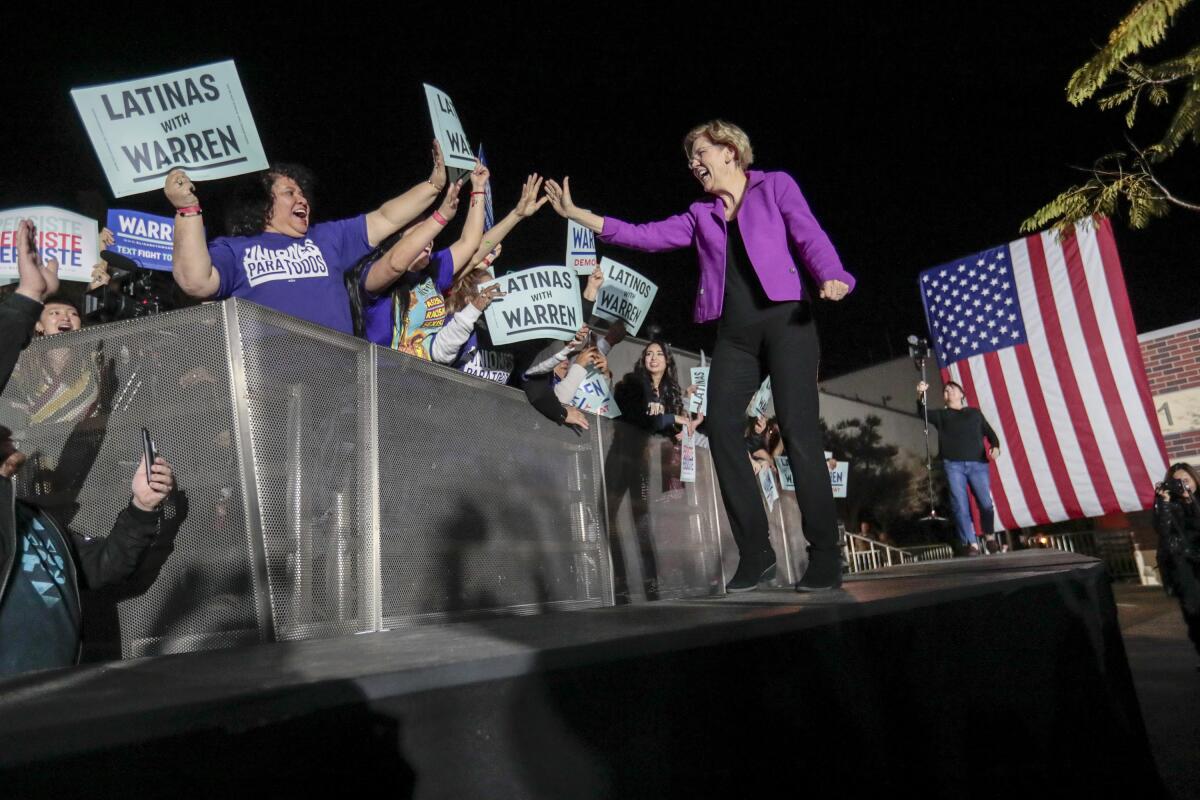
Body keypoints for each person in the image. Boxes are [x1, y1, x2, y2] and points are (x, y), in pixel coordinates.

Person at [546, 119, 856, 591]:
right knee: (720, 428)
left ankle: (827, 555)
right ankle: (757, 552)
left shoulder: (775, 187)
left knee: (796, 429)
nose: (694, 164)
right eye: (690, 158)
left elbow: (808, 234)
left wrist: (832, 273)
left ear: (730, 151)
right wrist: (581, 216)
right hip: (736, 336)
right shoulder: (700, 215)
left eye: (700, 153)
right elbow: (643, 235)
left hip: (788, 320)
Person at [0, 220, 175, 677]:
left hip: (65, 709)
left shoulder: (40, 526)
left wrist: (141, 507)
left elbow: (104, 567)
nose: (10, 437)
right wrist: (25, 301)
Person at [164, 141, 449, 335]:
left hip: (335, 383)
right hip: (267, 386)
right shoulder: (235, 250)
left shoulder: (327, 238)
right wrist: (187, 209)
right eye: (290, 193)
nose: (302, 199)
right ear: (263, 203)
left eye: (303, 193)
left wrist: (433, 186)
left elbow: (386, 218)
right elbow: (196, 282)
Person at [916, 379, 1002, 555]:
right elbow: (922, 412)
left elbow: (990, 433)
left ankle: (990, 537)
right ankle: (972, 543)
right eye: (946, 390)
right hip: (953, 465)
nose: (949, 391)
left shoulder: (974, 413)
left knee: (985, 504)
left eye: (953, 388)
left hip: (977, 463)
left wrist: (996, 447)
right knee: (960, 506)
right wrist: (920, 394)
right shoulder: (941, 415)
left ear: (962, 394)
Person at [1153, 462, 1200, 660]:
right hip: (1183, 564)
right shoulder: (1165, 502)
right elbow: (1163, 532)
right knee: (1194, 614)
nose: (1182, 485)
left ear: (1195, 480)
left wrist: (1190, 501)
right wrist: (1163, 503)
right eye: (1177, 482)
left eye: (1186, 480)